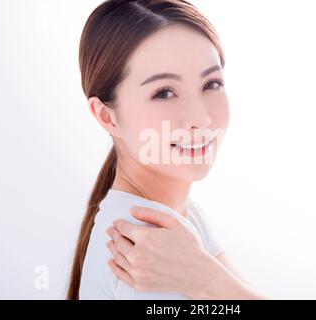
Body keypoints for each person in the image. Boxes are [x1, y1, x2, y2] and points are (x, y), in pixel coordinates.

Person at [67, 0, 268, 300]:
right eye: (164, 92)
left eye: (211, 84)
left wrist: (206, 278)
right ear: (107, 116)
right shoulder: (141, 252)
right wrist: (206, 280)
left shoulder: (178, 221)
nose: (201, 119)